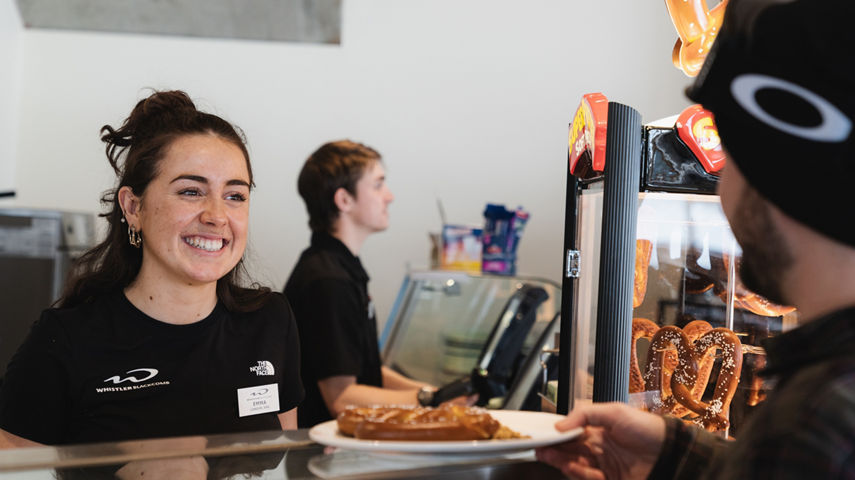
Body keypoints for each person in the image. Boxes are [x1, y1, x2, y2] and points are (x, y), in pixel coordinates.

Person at [536, 0, 855, 478]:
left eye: (732, 158)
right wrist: (675, 454)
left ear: (779, 173)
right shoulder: (823, 401)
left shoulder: (812, 420)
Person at [0, 90, 304, 447]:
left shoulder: (270, 321)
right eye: (191, 191)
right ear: (132, 207)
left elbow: (283, 463)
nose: (217, 216)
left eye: (235, 196)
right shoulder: (65, 341)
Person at [285, 140, 438, 428]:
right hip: (324, 457)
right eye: (379, 185)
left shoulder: (340, 267)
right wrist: (430, 401)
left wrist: (429, 391)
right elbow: (342, 397)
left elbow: (362, 369)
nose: (389, 196)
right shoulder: (328, 280)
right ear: (344, 200)